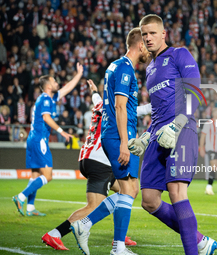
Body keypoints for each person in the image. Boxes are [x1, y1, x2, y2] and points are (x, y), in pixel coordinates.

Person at [130, 14, 217, 255]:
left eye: (151, 33)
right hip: (159, 135)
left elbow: (196, 92)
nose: (147, 38)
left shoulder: (180, 55)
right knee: (148, 199)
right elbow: (157, 112)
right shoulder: (149, 69)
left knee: (177, 191)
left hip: (182, 130)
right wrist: (146, 136)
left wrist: (178, 124)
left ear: (163, 34)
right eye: (144, 34)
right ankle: (199, 240)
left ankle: (193, 251)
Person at [70, 28, 150, 255]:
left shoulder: (115, 66)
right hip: (118, 135)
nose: (148, 50)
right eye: (146, 44)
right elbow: (119, 106)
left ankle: (88, 227)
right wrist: (125, 142)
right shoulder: (125, 69)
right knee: (128, 189)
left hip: (115, 133)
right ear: (139, 45)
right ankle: (115, 246)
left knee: (131, 189)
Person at [41, 79, 144, 250]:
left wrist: (94, 91)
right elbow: (141, 110)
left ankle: (120, 235)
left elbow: (97, 98)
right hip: (100, 160)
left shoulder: (103, 103)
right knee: (94, 207)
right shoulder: (117, 107)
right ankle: (55, 234)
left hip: (91, 156)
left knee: (130, 190)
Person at [12, 63, 83, 216]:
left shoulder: (49, 97)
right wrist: (62, 132)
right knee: (48, 175)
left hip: (33, 139)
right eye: (54, 81)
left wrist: (78, 74)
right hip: (39, 140)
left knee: (36, 175)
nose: (57, 83)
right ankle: (21, 197)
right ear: (48, 86)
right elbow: (46, 117)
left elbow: (67, 88)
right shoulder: (45, 99)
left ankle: (30, 208)